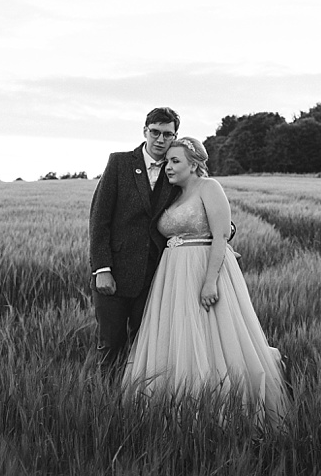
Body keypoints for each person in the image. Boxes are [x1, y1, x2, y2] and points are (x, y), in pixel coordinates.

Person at [121, 137, 288, 420]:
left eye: (176, 162)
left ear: (195, 164)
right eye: (167, 162)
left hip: (204, 269)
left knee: (214, 336)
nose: (169, 168)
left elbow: (221, 234)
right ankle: (177, 404)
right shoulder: (171, 195)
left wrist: (210, 282)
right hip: (172, 274)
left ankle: (224, 405)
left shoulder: (209, 187)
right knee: (178, 335)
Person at [89, 107, 180, 375]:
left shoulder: (176, 169)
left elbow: (199, 205)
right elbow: (99, 219)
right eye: (155, 132)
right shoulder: (119, 163)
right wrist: (102, 269)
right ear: (145, 131)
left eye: (168, 134)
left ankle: (137, 402)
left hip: (155, 276)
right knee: (111, 344)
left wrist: (225, 231)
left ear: (175, 136)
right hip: (115, 274)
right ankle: (106, 403)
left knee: (145, 346)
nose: (161, 140)